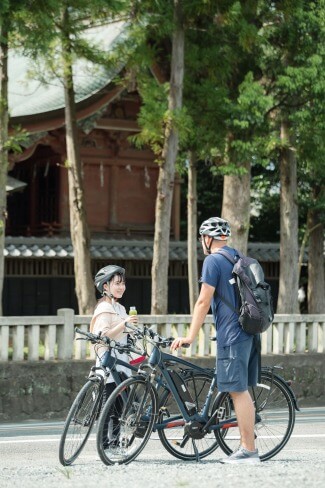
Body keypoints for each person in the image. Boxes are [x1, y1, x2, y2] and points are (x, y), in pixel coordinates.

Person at [171, 217, 261, 464]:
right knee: (240, 390)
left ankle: (249, 450)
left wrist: (190, 336)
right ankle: (247, 446)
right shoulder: (236, 256)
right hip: (248, 331)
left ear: (207, 239)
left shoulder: (212, 260)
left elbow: (203, 300)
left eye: (202, 239)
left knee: (237, 390)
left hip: (232, 334)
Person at [90, 264, 138, 447]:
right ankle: (103, 443)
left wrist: (132, 330)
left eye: (123, 283)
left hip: (122, 363)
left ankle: (115, 442)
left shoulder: (120, 308)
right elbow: (102, 336)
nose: (121, 287)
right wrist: (125, 324)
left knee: (119, 407)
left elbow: (124, 333)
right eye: (117, 283)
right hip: (108, 364)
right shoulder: (103, 308)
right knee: (107, 407)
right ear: (105, 286)